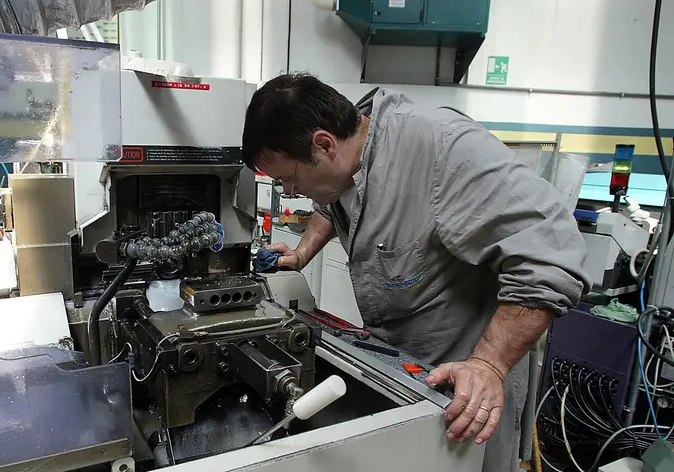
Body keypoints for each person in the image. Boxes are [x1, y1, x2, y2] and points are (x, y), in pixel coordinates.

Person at [242, 73, 590, 472]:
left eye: (288, 179)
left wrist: (489, 365)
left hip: (470, 389)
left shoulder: (442, 151)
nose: (287, 192)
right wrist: (303, 252)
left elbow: (552, 253)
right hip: (403, 370)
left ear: (324, 144)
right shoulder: (349, 154)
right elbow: (329, 199)